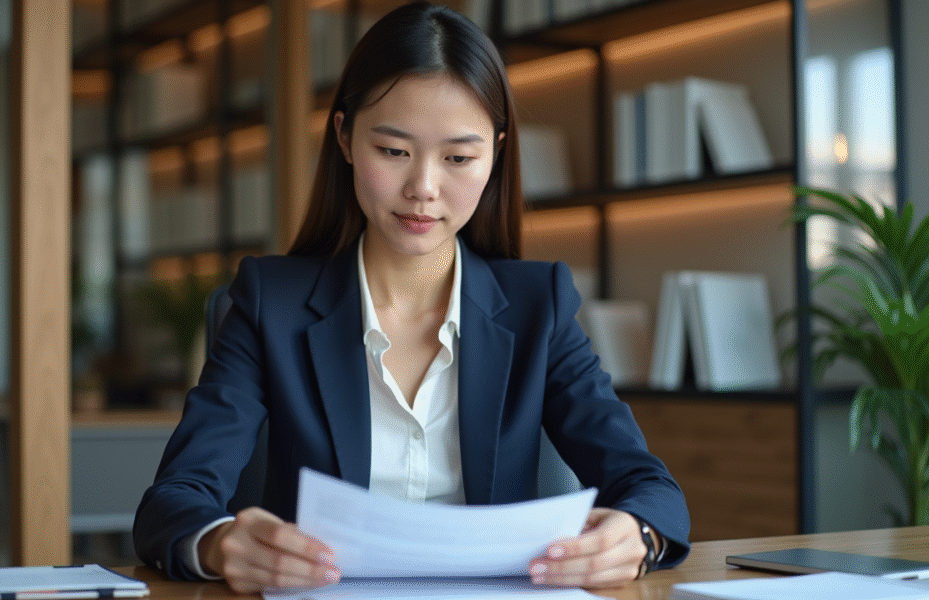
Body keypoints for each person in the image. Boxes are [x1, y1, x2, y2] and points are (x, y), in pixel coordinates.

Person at [133, 2, 690, 594]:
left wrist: (637, 536)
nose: (423, 188)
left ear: (497, 154)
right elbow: (173, 501)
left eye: (459, 158)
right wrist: (219, 544)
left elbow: (651, 490)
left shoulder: (539, 307)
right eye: (393, 151)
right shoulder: (271, 304)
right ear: (345, 137)